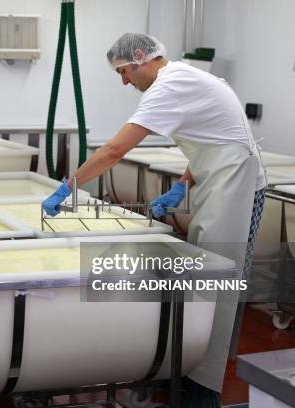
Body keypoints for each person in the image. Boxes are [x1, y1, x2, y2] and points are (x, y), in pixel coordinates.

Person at [42, 33, 266, 407]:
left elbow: (115, 149)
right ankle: (184, 366)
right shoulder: (185, 78)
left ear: (143, 56)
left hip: (239, 189)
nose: (124, 81)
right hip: (221, 183)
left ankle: (204, 389)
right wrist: (182, 183)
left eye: (124, 71)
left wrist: (68, 187)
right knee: (201, 282)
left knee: (217, 286)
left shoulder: (170, 85)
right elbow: (213, 136)